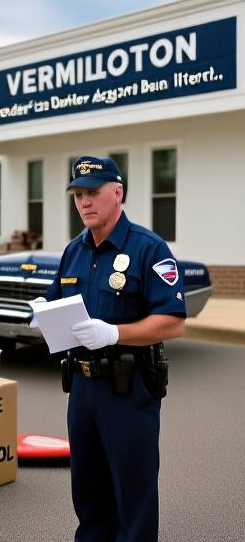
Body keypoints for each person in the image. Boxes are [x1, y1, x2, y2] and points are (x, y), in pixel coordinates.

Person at [45, 156, 186, 542]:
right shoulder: (73, 251)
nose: (84, 202)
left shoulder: (148, 248)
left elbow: (173, 321)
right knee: (88, 495)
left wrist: (113, 333)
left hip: (128, 390)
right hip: (82, 388)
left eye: (93, 192)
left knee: (132, 495)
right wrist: (39, 315)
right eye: (77, 195)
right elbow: (54, 302)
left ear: (117, 192)